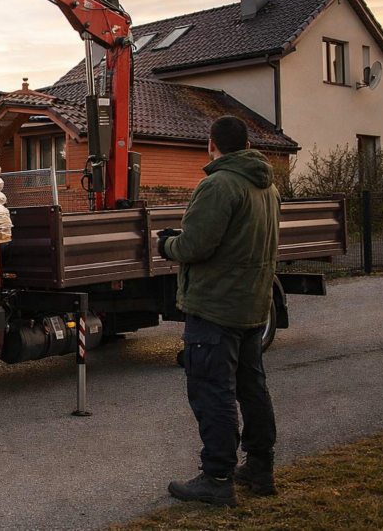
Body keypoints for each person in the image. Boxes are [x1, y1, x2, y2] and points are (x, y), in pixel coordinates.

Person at [157, 115, 281, 507]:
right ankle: (259, 467)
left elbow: (195, 246)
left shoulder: (218, 185)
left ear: (211, 144)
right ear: (247, 145)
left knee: (213, 392)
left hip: (215, 307)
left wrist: (166, 245)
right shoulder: (267, 186)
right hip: (252, 304)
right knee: (251, 388)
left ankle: (217, 478)